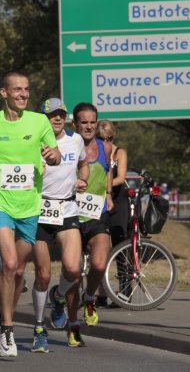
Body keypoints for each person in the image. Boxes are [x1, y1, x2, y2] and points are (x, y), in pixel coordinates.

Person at [0, 71, 60, 357]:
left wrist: (52, 156)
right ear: (4, 93)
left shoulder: (39, 121)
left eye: (27, 89)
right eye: (17, 89)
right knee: (8, 263)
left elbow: (55, 154)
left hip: (29, 206)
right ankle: (7, 329)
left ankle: (3, 312)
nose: (23, 94)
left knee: (18, 270)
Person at [27, 98, 88, 352]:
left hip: (67, 208)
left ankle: (59, 296)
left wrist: (82, 179)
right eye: (52, 114)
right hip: (40, 211)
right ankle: (39, 328)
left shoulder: (75, 140)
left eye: (61, 114)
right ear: (43, 117)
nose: (57, 118)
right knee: (42, 274)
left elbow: (83, 164)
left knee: (73, 271)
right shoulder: (33, 142)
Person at [70, 103, 113, 345]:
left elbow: (107, 171)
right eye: (83, 122)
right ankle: (73, 325)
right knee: (73, 273)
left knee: (99, 263)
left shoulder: (104, 147)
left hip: (97, 214)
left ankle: (89, 298)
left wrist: (107, 194)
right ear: (75, 124)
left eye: (92, 122)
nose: (88, 126)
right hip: (72, 215)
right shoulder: (68, 146)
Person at [97, 120, 128, 307]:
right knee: (98, 248)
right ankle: (99, 292)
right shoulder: (93, 152)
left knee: (120, 245)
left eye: (107, 138)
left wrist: (104, 185)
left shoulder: (119, 153)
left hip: (118, 200)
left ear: (113, 136)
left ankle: (125, 291)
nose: (104, 142)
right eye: (100, 139)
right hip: (99, 200)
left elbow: (121, 177)